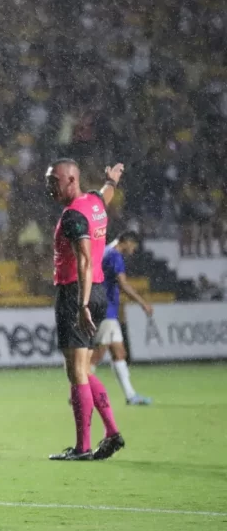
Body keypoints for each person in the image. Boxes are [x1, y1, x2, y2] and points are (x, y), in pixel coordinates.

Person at [47, 160, 125, 462]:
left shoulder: (73, 217)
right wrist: (112, 182)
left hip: (76, 292)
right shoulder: (93, 202)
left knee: (77, 371)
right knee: (81, 368)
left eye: (54, 180)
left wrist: (81, 304)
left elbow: (84, 260)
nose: (50, 186)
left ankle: (82, 447)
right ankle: (112, 432)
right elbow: (105, 196)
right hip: (97, 291)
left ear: (70, 180)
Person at [91, 231, 154, 405]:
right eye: (133, 246)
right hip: (106, 311)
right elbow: (123, 284)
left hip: (102, 307)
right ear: (126, 242)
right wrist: (143, 303)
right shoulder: (115, 256)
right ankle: (77, 391)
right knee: (97, 354)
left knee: (119, 353)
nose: (133, 250)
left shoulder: (105, 250)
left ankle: (130, 396)